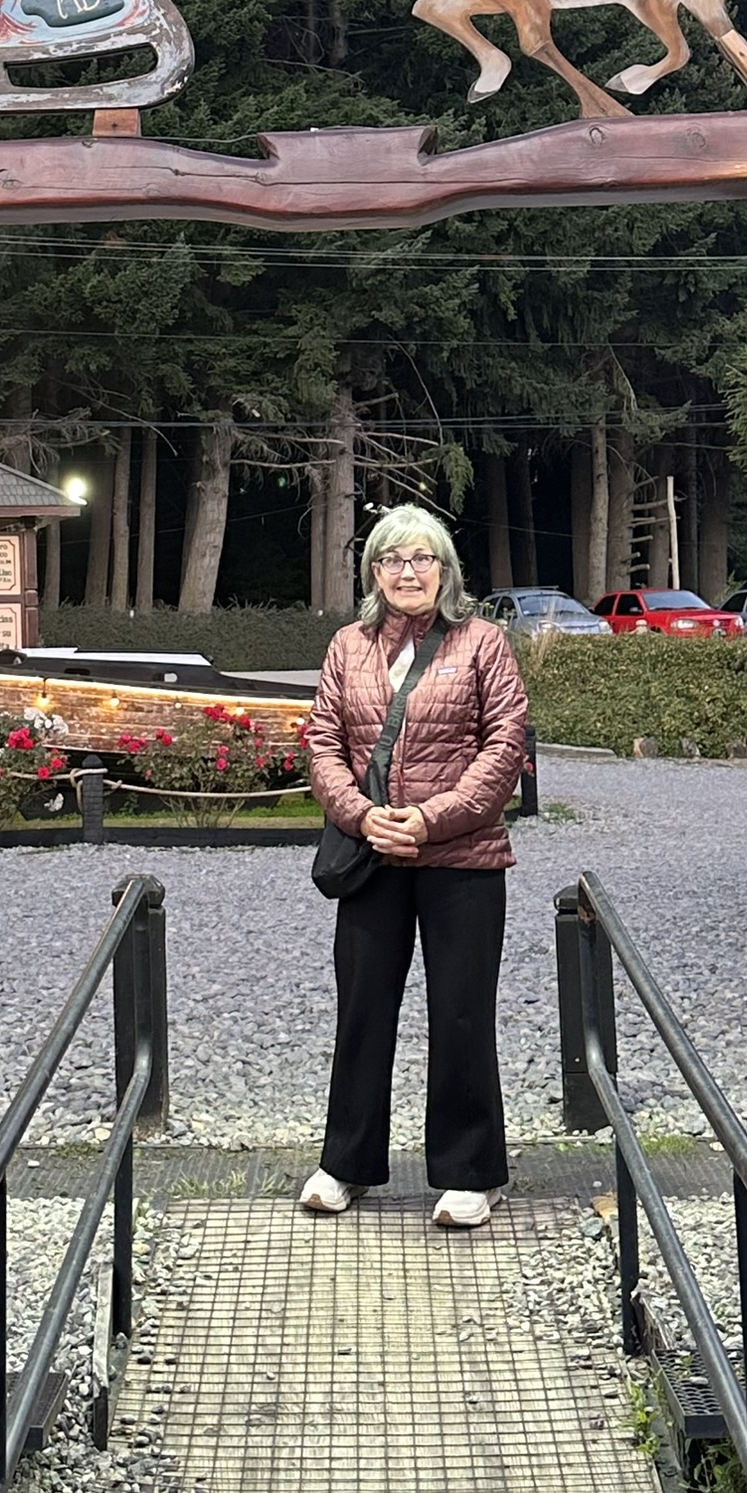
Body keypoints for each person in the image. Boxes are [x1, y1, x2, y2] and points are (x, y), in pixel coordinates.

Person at [301, 504, 528, 1227]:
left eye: (422, 558)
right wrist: (360, 815)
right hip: (373, 856)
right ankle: (346, 1164)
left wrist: (431, 820)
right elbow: (322, 742)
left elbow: (505, 745)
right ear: (374, 572)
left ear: (445, 569)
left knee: (461, 1012)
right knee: (363, 1010)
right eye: (393, 559)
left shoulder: (483, 642)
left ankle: (472, 1172)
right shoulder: (348, 646)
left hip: (464, 857)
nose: (408, 571)